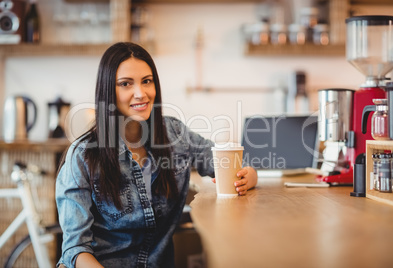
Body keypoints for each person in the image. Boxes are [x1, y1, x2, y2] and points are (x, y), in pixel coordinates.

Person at [55, 42, 258, 268]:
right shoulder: (83, 155)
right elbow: (75, 249)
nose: (141, 93)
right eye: (125, 84)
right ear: (108, 91)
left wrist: (249, 176)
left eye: (147, 81)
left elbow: (229, 162)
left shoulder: (175, 134)